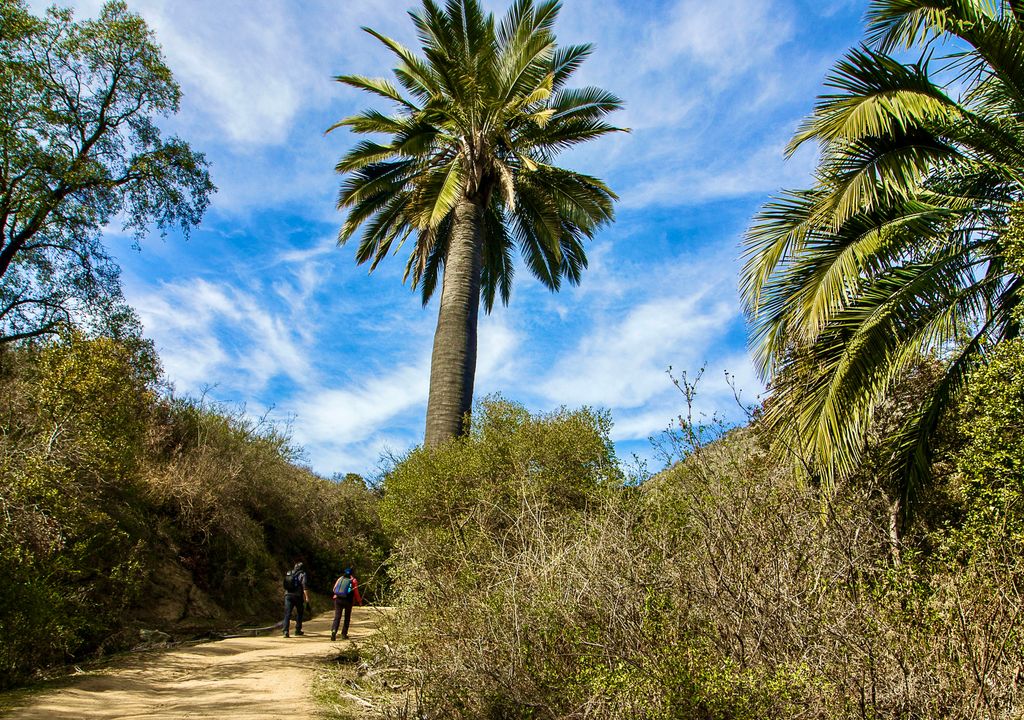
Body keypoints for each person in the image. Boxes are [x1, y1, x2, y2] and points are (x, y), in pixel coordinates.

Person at [330, 567, 362, 641]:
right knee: (347, 617)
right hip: (348, 600)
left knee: (337, 616)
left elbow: (334, 589)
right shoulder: (353, 580)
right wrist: (359, 601)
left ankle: (334, 631)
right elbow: (356, 592)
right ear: (352, 573)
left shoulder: (340, 578)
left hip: (338, 599)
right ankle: (344, 634)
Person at [282, 561, 309, 638]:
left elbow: (285, 584)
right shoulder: (302, 574)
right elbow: (304, 586)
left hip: (287, 595)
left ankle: (285, 631)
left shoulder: (289, 572)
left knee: (287, 613)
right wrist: (307, 598)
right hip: (297, 596)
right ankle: (297, 630)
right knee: (300, 612)